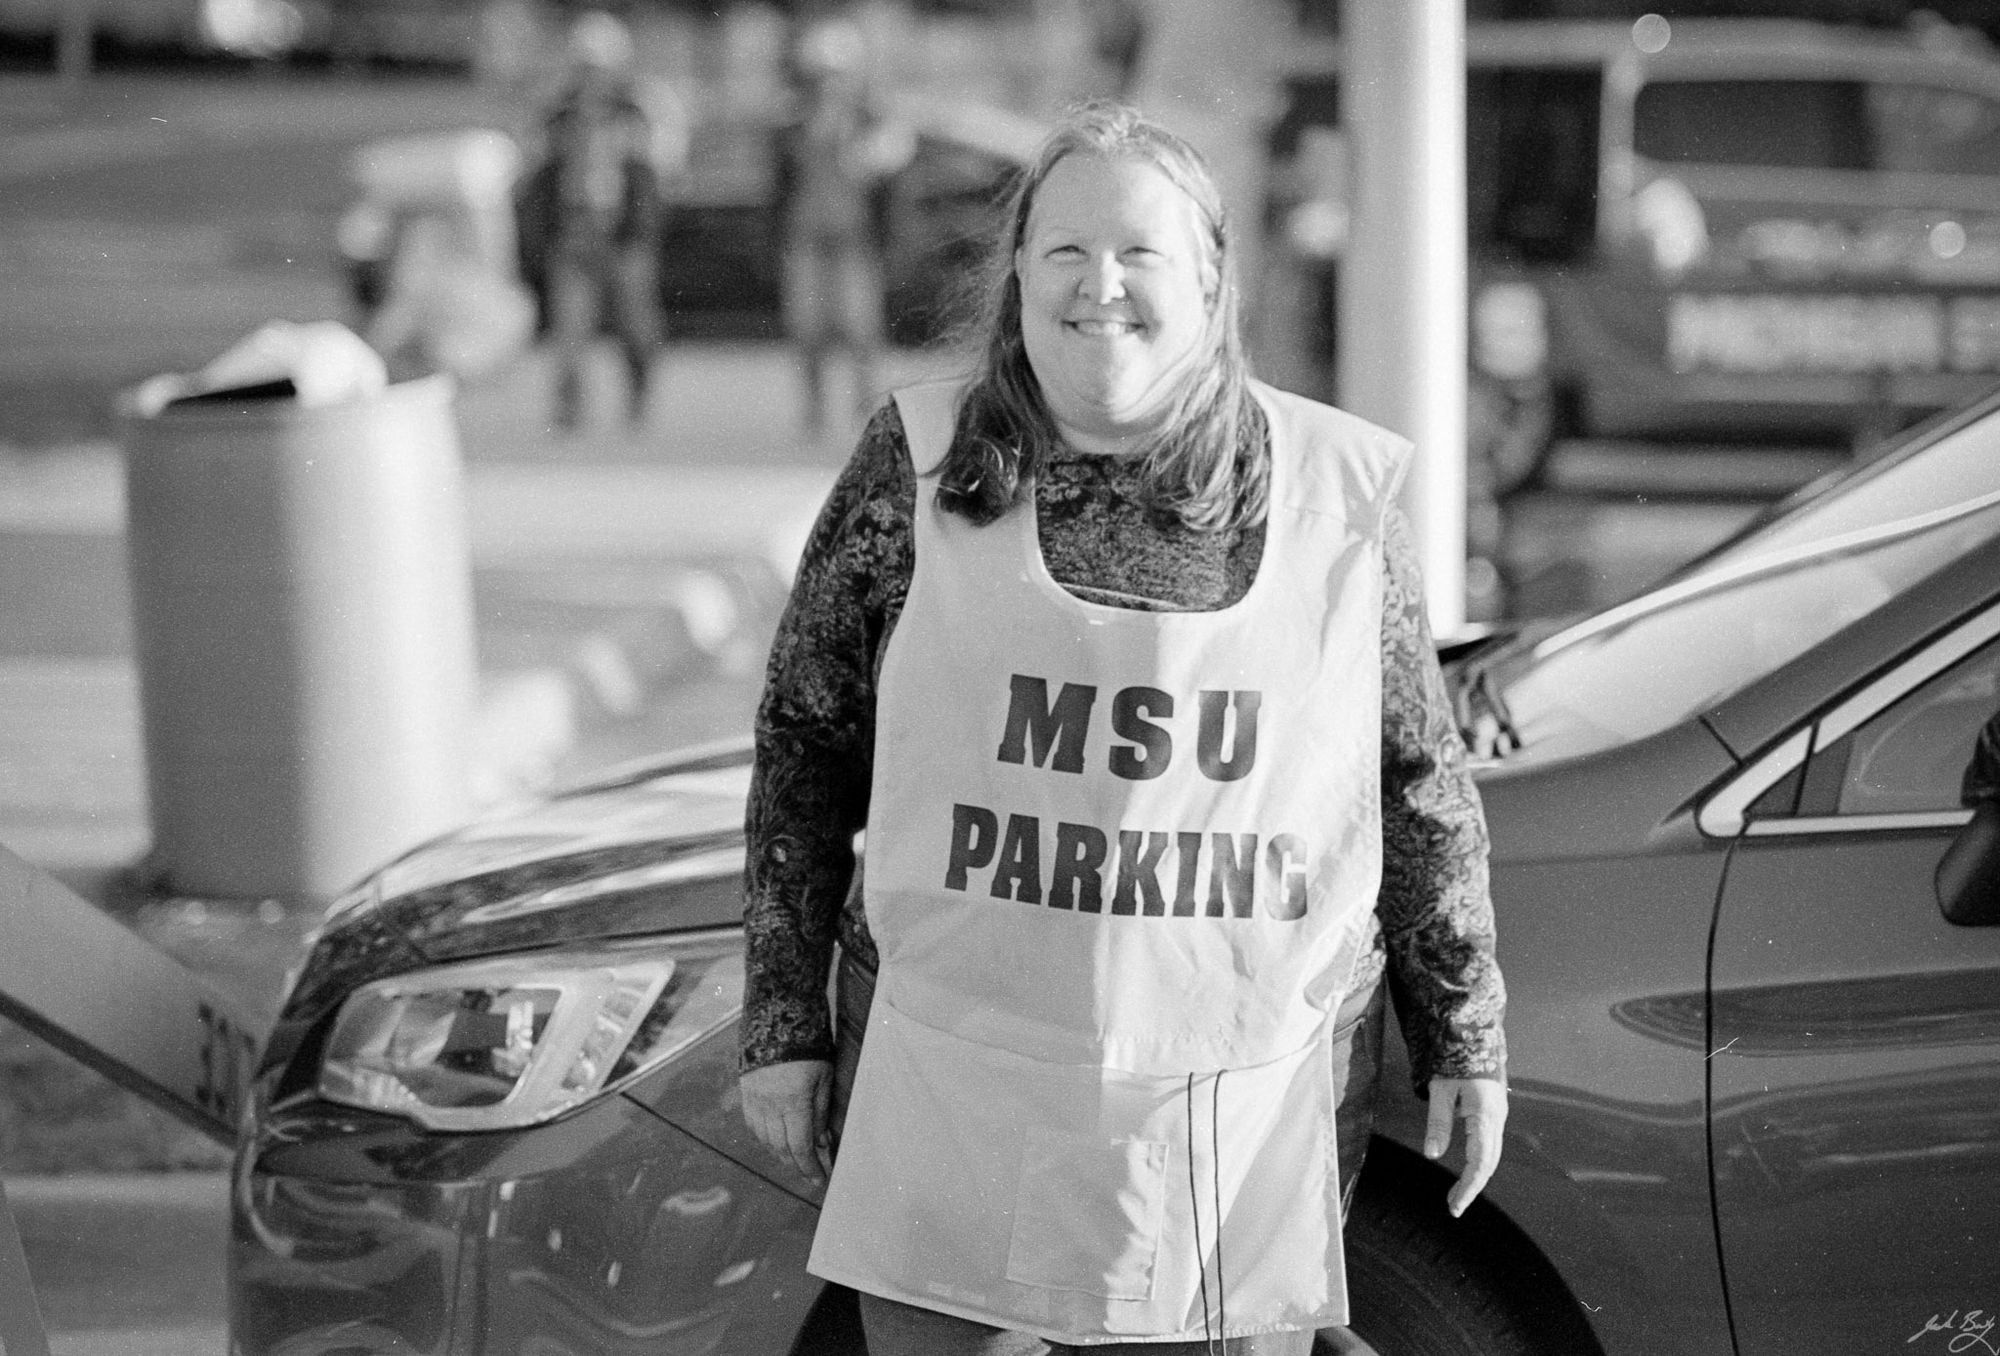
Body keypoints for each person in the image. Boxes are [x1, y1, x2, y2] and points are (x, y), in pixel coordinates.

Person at [740, 102, 1506, 1354]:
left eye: (1139, 253)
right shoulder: (919, 467)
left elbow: (1412, 776)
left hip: (1230, 1117)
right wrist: (784, 1025)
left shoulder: (1323, 495)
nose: (1100, 287)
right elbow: (806, 744)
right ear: (1017, 280)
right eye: (1063, 253)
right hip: (953, 1084)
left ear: (1208, 277)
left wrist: (1461, 1030)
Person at [517, 11, 668, 431]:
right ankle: (569, 411)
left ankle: (637, 394)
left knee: (636, 329)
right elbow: (534, 175)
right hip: (573, 232)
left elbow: (658, 173)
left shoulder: (639, 112)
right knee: (569, 334)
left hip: (624, 237)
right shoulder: (556, 117)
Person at [772, 17, 912, 436]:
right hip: (807, 239)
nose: (828, 85)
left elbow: (890, 185)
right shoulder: (794, 126)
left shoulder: (875, 123)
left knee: (860, 329)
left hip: (855, 240)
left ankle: (864, 408)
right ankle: (814, 409)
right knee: (807, 329)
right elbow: (780, 187)